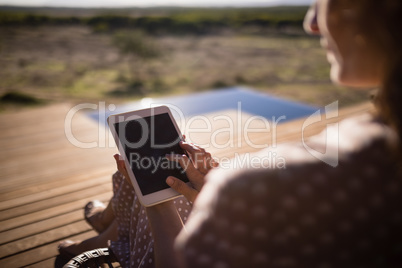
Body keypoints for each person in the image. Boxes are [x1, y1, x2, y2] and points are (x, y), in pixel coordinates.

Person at [61, 0, 402, 267]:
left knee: (147, 187)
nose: (311, 23)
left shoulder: (265, 186)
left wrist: (163, 208)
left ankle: (95, 231)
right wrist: (216, 195)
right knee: (169, 182)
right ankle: (102, 222)